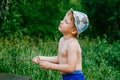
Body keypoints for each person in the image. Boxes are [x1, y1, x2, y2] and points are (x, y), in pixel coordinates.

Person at [32, 8, 89, 80]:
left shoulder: (72, 44)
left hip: (75, 77)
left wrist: (50, 65)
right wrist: (41, 58)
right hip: (66, 77)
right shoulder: (62, 40)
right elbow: (60, 59)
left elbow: (71, 68)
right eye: (63, 19)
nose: (61, 22)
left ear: (74, 30)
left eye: (66, 22)